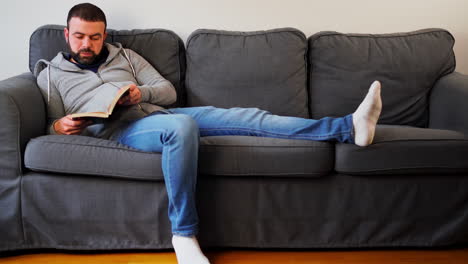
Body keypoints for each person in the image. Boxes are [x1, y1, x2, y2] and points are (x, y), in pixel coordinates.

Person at [34, 3, 382, 264]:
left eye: (95, 37)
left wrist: (143, 94)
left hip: (158, 114)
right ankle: (184, 235)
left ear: (104, 35)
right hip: (117, 130)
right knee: (181, 127)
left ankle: (348, 127)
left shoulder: (125, 55)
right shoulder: (51, 76)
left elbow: (166, 91)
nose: (87, 43)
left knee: (247, 116)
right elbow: (49, 124)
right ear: (67, 35)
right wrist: (59, 126)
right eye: (79, 36)